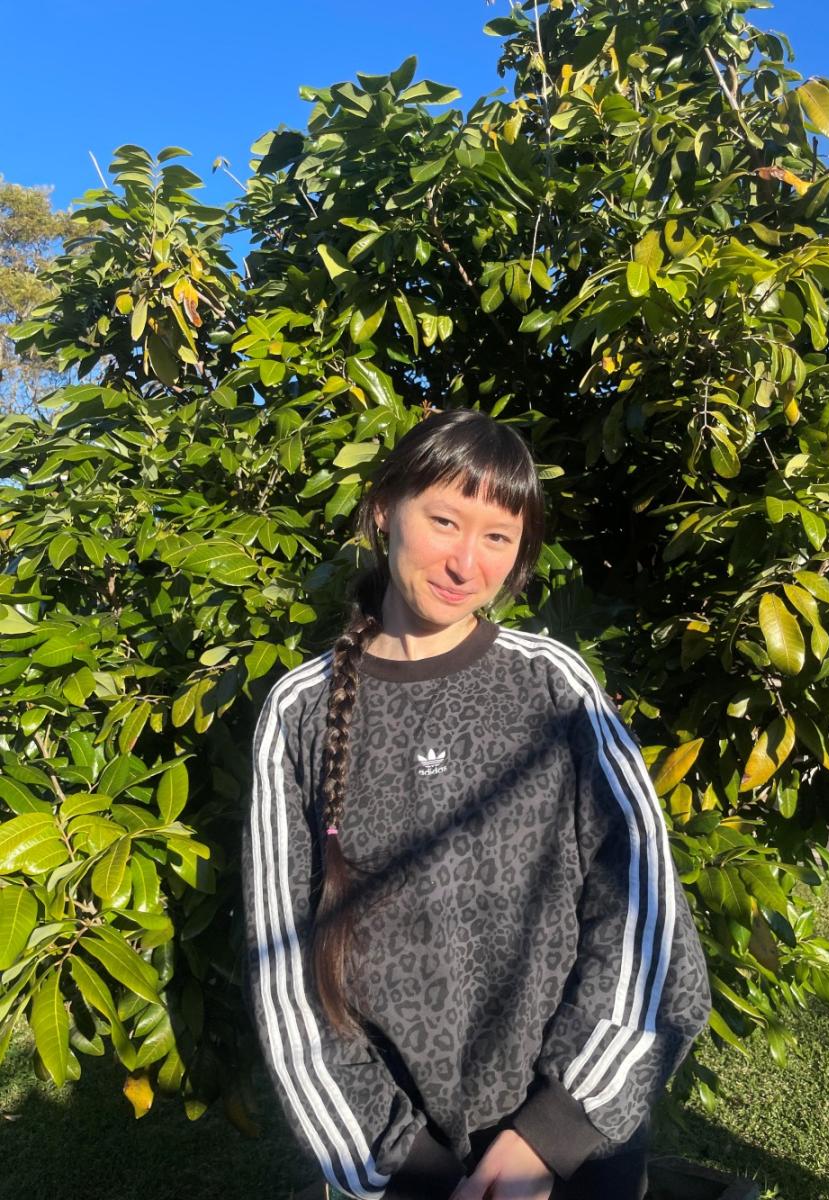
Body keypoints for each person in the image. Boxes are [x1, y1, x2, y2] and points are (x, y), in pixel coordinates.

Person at [242, 408, 711, 1200]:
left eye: (498, 537)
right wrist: (404, 1165)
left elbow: (645, 916)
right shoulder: (298, 712)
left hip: (574, 1158)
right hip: (401, 1170)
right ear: (385, 510)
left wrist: (554, 1130)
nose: (466, 560)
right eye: (445, 520)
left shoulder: (553, 686)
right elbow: (284, 971)